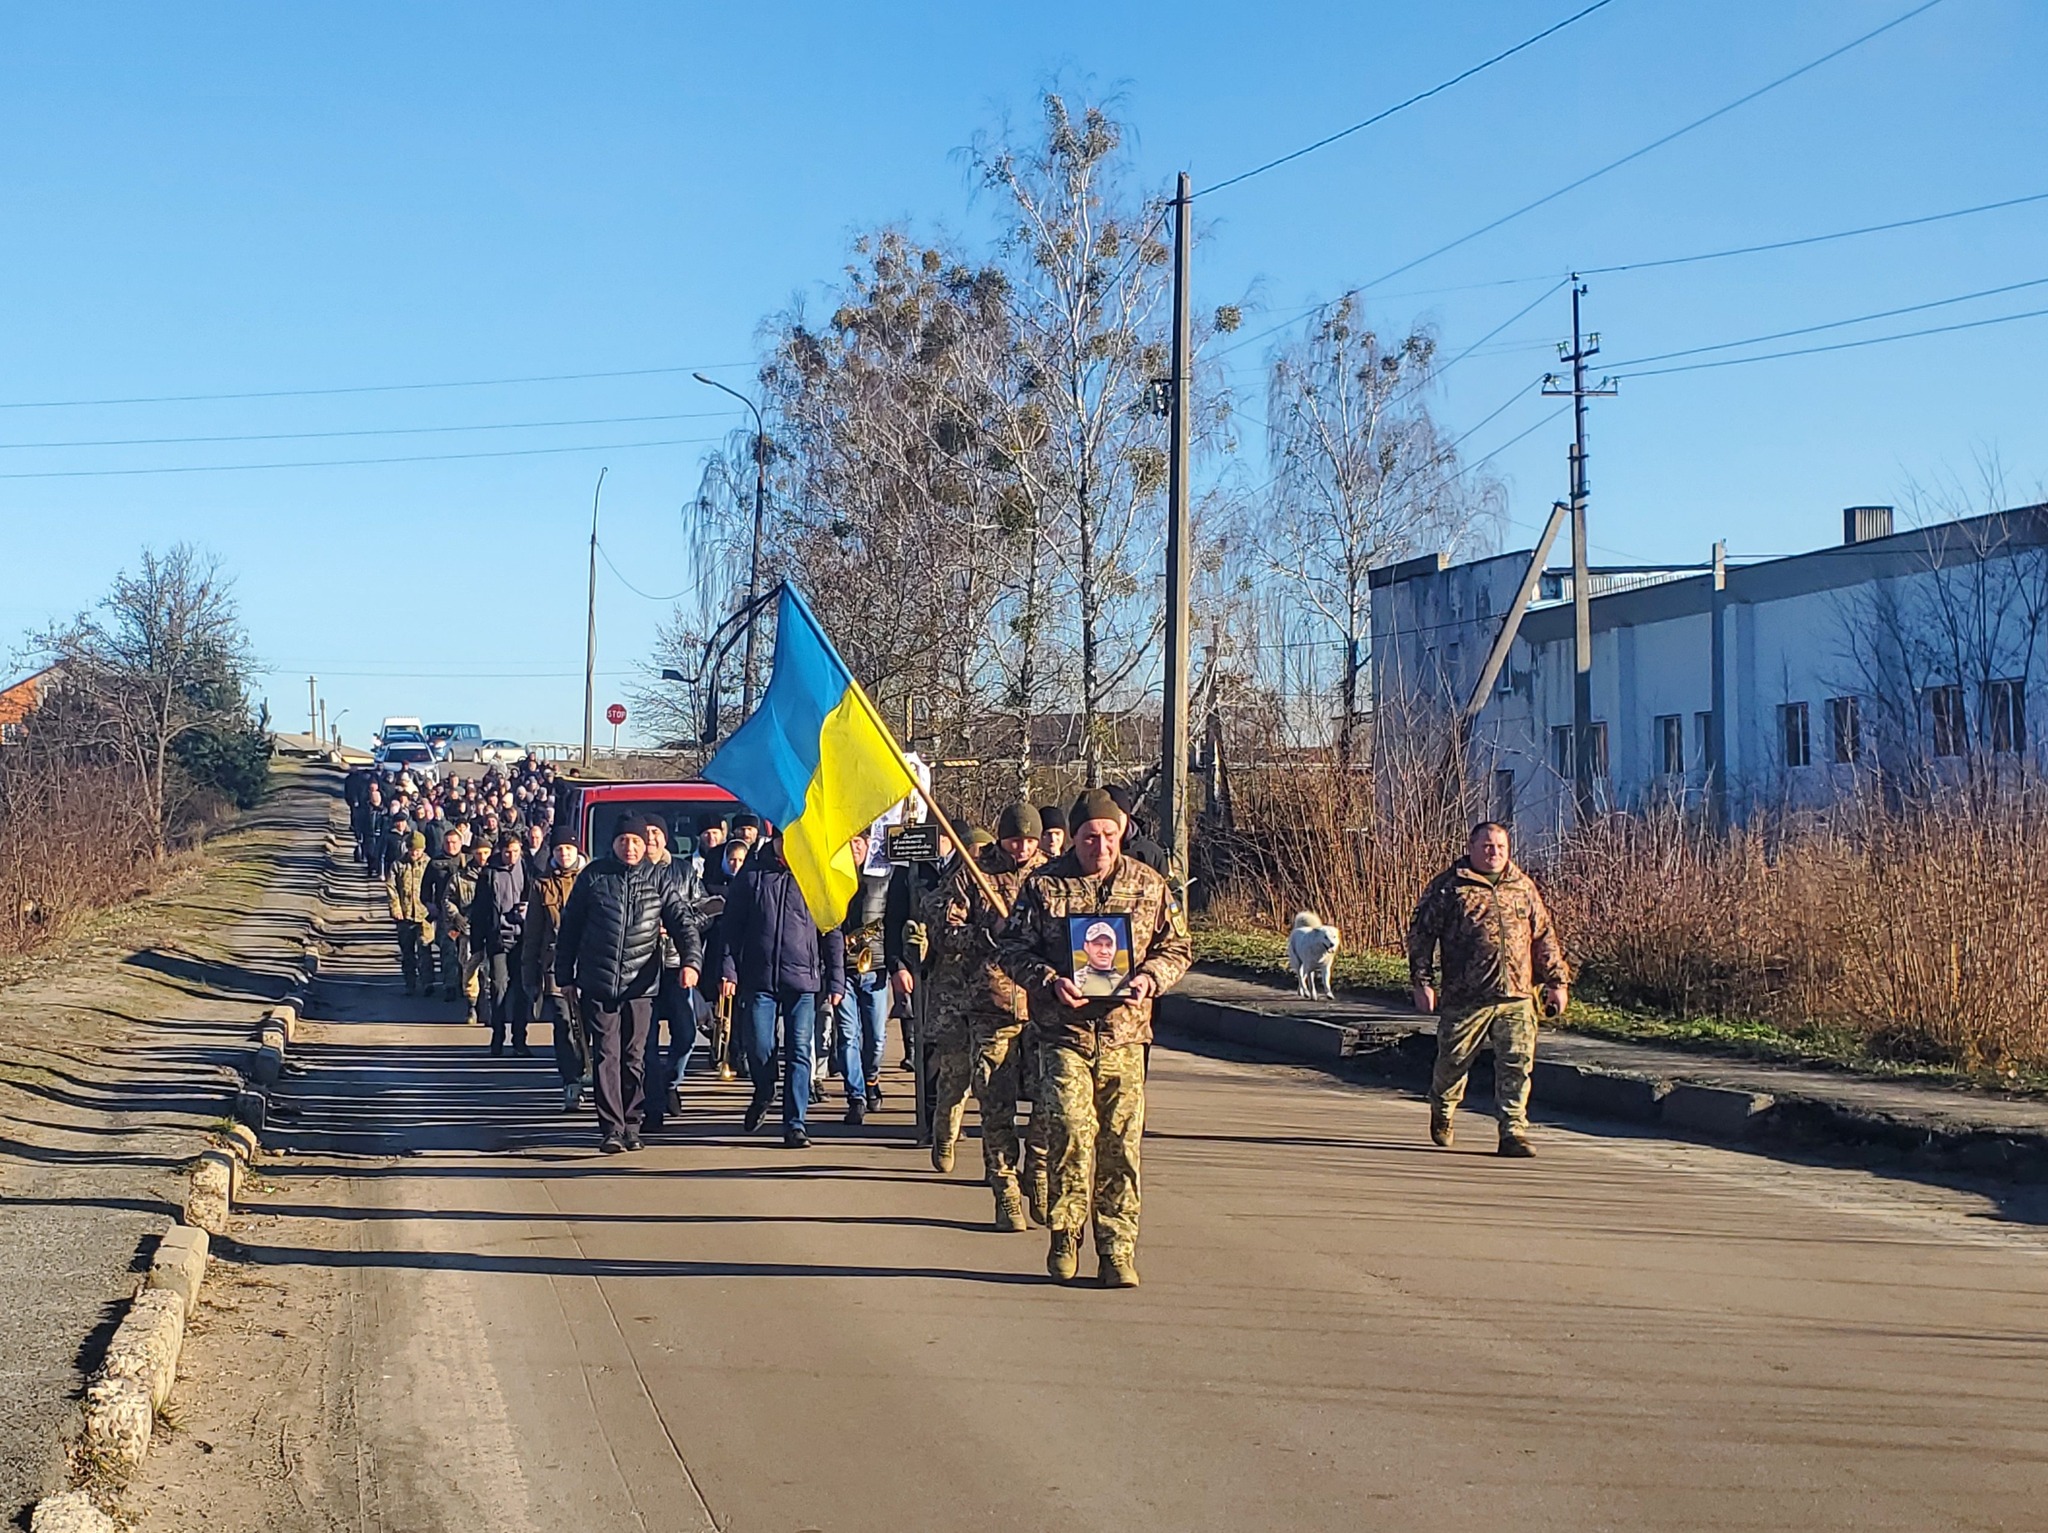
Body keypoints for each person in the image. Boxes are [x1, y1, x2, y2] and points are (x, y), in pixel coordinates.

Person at [999, 788, 1191, 1289]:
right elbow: (1012, 949)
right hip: (1064, 1032)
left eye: (1109, 835)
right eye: (1090, 837)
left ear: (1122, 832)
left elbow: (1179, 947)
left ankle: (1117, 1249)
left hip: (1126, 1036)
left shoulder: (1149, 885)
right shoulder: (1044, 887)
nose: (1100, 846)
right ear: (1075, 840)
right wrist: (1048, 979)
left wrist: (1151, 977)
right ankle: (1065, 1235)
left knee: (1121, 1145)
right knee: (1069, 1134)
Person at [1406, 821, 1569, 1158]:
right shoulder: (1450, 888)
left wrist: (1556, 982)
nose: (1494, 853)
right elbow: (1421, 936)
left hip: (1517, 995)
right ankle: (1443, 1108)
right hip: (1467, 995)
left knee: (1517, 1062)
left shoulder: (1522, 887)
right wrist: (1422, 982)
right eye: (1487, 846)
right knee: (1454, 1060)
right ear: (1471, 847)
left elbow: (1544, 937)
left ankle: (1512, 1130)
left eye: (1500, 847)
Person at [555, 815, 706, 1153]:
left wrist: (691, 962)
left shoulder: (658, 880)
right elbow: (570, 930)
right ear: (614, 844)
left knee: (634, 1056)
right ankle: (611, 1128)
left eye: (636, 841)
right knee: (606, 1056)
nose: (630, 847)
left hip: (641, 985)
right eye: (624, 840)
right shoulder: (593, 878)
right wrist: (563, 976)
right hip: (599, 981)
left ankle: (632, 1123)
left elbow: (683, 924)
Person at [957, 803, 1048, 1230]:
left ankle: (1039, 1169)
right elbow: (943, 925)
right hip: (991, 1003)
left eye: (1030, 840)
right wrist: (982, 933)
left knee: (1051, 1102)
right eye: (1016, 840)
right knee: (995, 1102)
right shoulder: (976, 873)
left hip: (1045, 1006)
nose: (1023, 848)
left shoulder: (1054, 875)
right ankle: (1005, 1186)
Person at [720, 833, 841, 1150]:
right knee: (759, 1047)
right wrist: (729, 969)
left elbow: (831, 930)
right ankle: (763, 1089)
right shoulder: (753, 875)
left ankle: (795, 1124)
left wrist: (837, 979)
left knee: (800, 1051)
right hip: (759, 980)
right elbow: (731, 927)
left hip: (803, 982)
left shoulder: (814, 876)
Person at [640, 818, 706, 1135]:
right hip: (641, 966)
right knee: (646, 1041)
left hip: (676, 963)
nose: (651, 838)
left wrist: (679, 924)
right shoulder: (633, 870)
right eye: (647, 832)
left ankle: (670, 1081)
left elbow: (705, 909)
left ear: (665, 838)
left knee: (686, 1033)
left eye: (657, 833)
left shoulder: (683, 871)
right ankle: (653, 1105)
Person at [831, 830, 895, 1124]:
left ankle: (871, 1079)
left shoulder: (883, 877)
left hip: (875, 966)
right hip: (843, 968)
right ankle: (855, 1095)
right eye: (850, 841)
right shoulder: (835, 878)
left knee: (877, 1039)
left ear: (869, 844)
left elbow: (892, 919)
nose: (854, 846)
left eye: (859, 841)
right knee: (847, 1035)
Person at [523, 829, 587, 1111]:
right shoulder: (541, 886)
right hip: (554, 967)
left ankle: (593, 1073)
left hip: (590, 964)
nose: (564, 854)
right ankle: (571, 1082)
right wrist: (529, 972)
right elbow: (533, 934)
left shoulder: (591, 879)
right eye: (559, 850)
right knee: (563, 1024)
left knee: (591, 1025)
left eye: (569, 850)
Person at [470, 832, 532, 1056]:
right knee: (499, 989)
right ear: (500, 851)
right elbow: (479, 911)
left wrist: (527, 911)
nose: (512, 857)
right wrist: (477, 945)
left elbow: (532, 896)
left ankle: (520, 1040)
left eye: (516, 852)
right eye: (508, 852)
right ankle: (497, 1039)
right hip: (498, 939)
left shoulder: (525, 867)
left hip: (522, 938)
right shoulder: (489, 874)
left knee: (521, 991)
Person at [385, 831, 437, 997]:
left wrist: (433, 908)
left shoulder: (430, 864)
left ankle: (428, 981)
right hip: (405, 915)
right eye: (412, 849)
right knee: (407, 952)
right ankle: (410, 982)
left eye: (418, 850)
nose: (415, 853)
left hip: (424, 915)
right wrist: (396, 908)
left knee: (425, 949)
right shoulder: (398, 865)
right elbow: (391, 888)